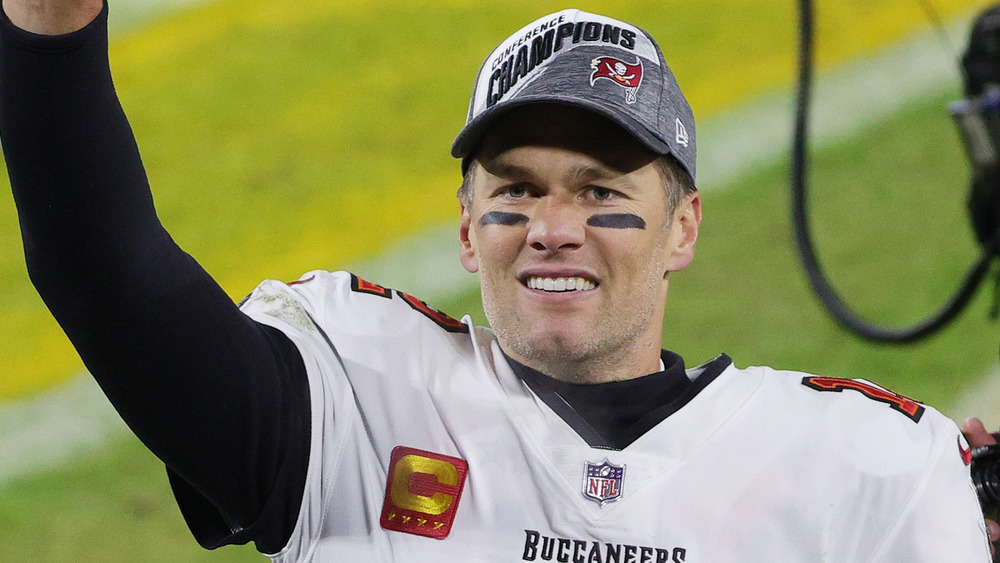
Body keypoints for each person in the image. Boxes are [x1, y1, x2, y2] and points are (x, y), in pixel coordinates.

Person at [0, 1, 992, 561]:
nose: (554, 228)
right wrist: (52, 25)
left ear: (682, 226)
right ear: (468, 230)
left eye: (601, 190)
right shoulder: (354, 405)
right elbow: (106, 275)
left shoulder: (868, 472)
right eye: (514, 191)